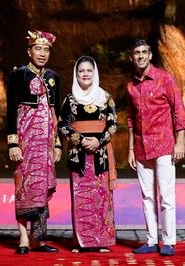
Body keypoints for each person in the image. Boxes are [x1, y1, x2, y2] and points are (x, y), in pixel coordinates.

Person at [126, 39, 185, 256]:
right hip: (142, 148)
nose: (141, 56)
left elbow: (178, 110)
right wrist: (131, 149)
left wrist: (179, 141)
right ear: (132, 57)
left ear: (150, 55)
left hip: (163, 145)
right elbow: (131, 119)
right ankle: (152, 240)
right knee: (147, 197)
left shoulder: (164, 78)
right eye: (136, 53)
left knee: (166, 196)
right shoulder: (131, 85)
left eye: (144, 52)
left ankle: (169, 241)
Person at [6, 30, 62, 255]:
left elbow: (55, 112)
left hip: (46, 142)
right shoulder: (18, 75)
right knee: (23, 187)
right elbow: (11, 111)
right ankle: (22, 238)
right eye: (38, 48)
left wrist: (57, 143)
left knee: (41, 189)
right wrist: (13, 143)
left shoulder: (53, 77)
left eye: (46, 49)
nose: (42, 53)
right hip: (25, 141)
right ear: (29, 51)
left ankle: (36, 238)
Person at [58, 56, 117, 253]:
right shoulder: (70, 99)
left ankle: (102, 242)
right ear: (76, 74)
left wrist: (98, 140)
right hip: (78, 156)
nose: (85, 74)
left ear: (94, 73)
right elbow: (62, 125)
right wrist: (80, 139)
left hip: (100, 155)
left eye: (89, 70)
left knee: (102, 197)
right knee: (81, 198)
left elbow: (113, 124)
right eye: (81, 71)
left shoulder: (105, 98)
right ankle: (81, 242)